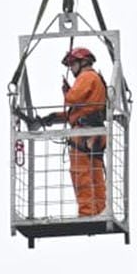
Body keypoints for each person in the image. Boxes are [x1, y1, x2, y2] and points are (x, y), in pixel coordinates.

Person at [42, 47, 108, 217]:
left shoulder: (86, 77)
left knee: (81, 175)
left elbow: (72, 98)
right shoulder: (96, 78)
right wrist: (55, 117)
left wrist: (66, 90)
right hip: (95, 132)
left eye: (72, 65)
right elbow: (82, 110)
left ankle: (87, 213)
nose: (71, 69)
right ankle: (99, 211)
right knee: (95, 175)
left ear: (81, 62)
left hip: (83, 135)